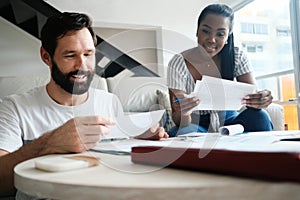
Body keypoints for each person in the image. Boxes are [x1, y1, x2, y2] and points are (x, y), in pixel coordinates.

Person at [0, 12, 168, 198]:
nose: (83, 65)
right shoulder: (14, 108)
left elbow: (118, 163)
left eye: (88, 54)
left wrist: (138, 143)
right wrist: (48, 144)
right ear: (46, 57)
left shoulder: (109, 102)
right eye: (70, 55)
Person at [167, 4, 273, 137]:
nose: (211, 39)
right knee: (186, 132)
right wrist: (183, 112)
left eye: (220, 34)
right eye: (205, 31)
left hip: (230, 120)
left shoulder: (237, 57)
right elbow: (179, 121)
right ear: (197, 31)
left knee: (260, 116)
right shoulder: (178, 63)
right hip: (194, 123)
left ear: (228, 36)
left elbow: (253, 102)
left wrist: (260, 100)